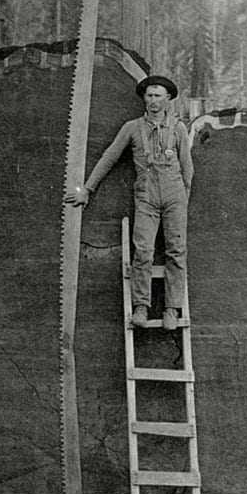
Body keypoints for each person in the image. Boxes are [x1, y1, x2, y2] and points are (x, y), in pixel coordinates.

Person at [65, 74, 193, 331]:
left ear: (168, 99)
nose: (153, 100)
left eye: (158, 95)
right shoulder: (132, 128)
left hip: (174, 196)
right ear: (143, 99)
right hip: (146, 198)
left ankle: (171, 308)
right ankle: (141, 306)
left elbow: (188, 168)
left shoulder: (178, 129)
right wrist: (87, 189)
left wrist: (182, 200)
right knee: (143, 251)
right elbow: (109, 157)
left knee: (176, 251)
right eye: (149, 95)